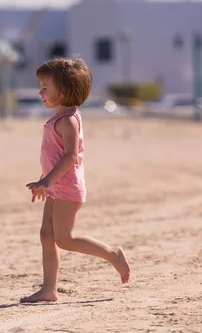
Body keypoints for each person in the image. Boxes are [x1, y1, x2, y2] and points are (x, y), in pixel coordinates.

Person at [20, 57, 131, 304]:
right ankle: (49, 290)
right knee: (47, 236)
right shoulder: (59, 118)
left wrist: (47, 181)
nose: (40, 92)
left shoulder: (68, 121)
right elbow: (54, 157)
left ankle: (112, 254)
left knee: (64, 238)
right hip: (55, 187)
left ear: (66, 91)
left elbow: (70, 157)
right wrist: (43, 180)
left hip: (67, 189)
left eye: (45, 88)